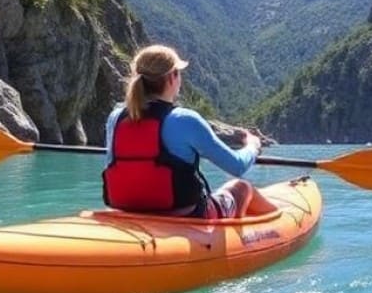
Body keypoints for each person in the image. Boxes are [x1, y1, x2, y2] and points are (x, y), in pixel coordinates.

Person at [102, 44, 274, 219]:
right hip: (187, 215)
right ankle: (279, 219)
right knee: (241, 187)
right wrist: (252, 145)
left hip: (127, 211)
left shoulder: (115, 118)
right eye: (178, 73)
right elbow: (237, 166)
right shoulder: (184, 119)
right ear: (172, 77)